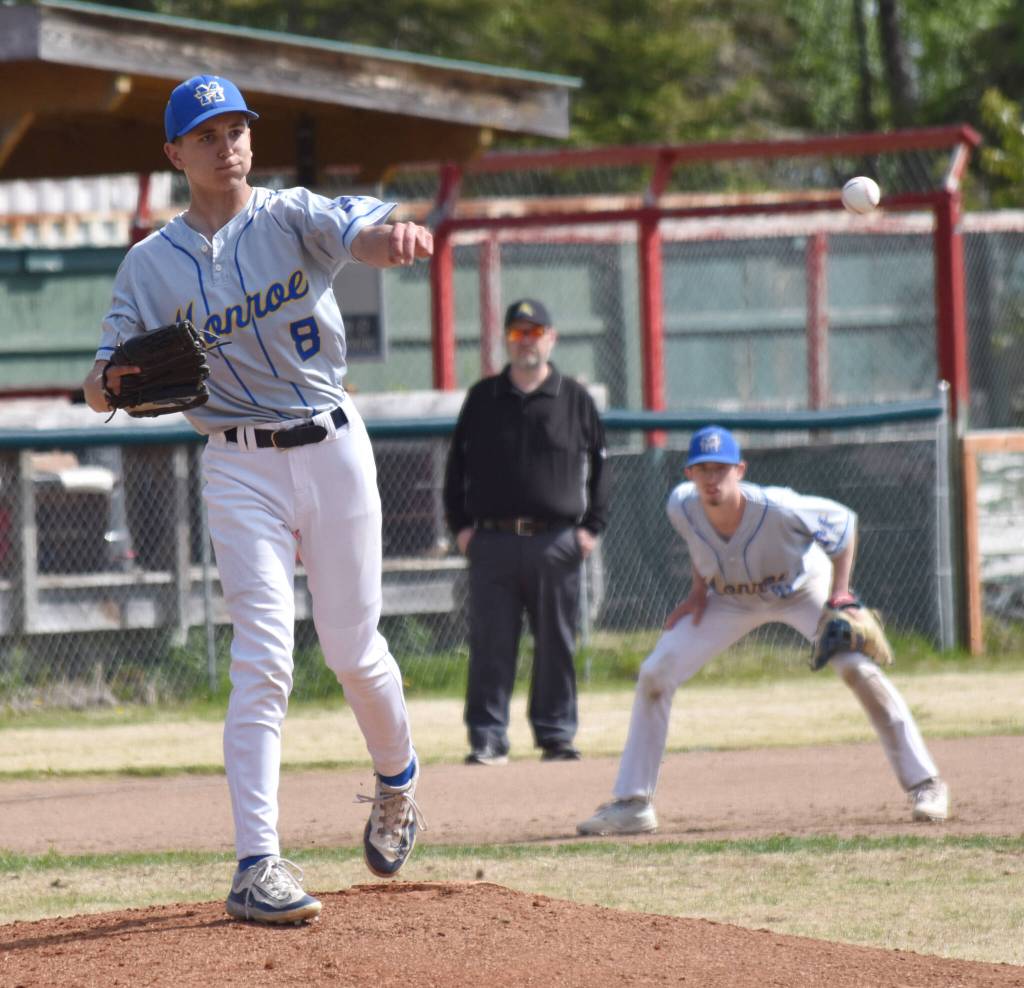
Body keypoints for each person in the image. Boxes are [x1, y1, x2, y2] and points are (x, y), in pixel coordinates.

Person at [82, 74, 429, 923]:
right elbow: (98, 383)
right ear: (175, 153)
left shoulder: (290, 214)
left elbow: (366, 233)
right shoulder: (149, 263)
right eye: (207, 132)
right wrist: (110, 384)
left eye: (237, 127)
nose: (228, 142)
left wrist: (398, 237)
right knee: (263, 658)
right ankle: (256, 863)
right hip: (236, 461)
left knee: (352, 651)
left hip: (333, 443)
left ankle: (398, 782)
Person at [577, 424, 949, 835]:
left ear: (740, 469)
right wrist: (697, 593)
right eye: (703, 469)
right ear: (689, 474)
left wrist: (840, 594)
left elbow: (844, 524)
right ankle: (633, 803)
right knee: (655, 672)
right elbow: (700, 545)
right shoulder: (681, 505)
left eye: (721, 469)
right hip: (729, 599)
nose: (712, 478)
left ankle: (926, 784)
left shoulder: (778, 506)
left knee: (858, 671)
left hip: (801, 588)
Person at [443, 298, 609, 765]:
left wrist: (590, 528)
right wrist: (461, 528)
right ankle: (488, 737)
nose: (526, 341)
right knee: (490, 644)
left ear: (551, 339)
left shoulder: (575, 400)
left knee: (556, 642)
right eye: (517, 333)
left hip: (555, 541)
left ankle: (556, 734)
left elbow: (601, 469)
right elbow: (455, 468)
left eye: (535, 332)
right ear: (507, 340)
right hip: (492, 541)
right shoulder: (483, 398)